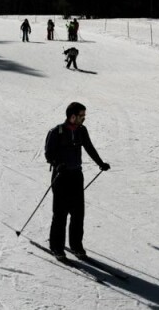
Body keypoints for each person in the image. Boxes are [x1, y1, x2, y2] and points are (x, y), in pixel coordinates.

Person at [44, 102, 110, 260]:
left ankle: (76, 245)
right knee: (60, 214)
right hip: (61, 177)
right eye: (81, 116)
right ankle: (56, 247)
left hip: (76, 176)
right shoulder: (56, 132)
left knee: (78, 213)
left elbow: (89, 147)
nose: (84, 119)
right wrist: (56, 164)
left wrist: (100, 163)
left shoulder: (81, 130)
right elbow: (48, 154)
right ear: (72, 116)